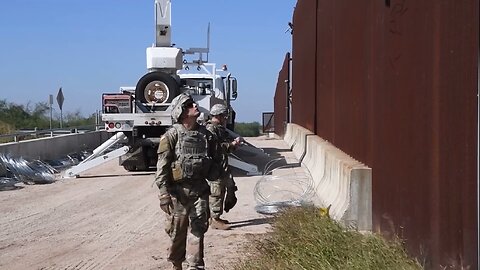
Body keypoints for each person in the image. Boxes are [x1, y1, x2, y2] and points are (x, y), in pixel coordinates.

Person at [154, 93, 218, 270]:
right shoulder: (172, 135)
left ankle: (195, 265)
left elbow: (215, 159)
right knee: (177, 233)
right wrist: (164, 194)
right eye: (190, 104)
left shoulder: (206, 135)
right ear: (182, 112)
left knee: (198, 230)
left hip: (200, 191)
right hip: (178, 193)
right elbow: (162, 167)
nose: (195, 106)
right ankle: (176, 264)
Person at [205, 103, 242, 230]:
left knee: (226, 188)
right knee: (216, 191)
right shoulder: (211, 130)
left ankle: (217, 217)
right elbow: (216, 148)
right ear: (219, 116)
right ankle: (214, 219)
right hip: (214, 166)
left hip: (221, 165)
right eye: (224, 116)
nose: (226, 119)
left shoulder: (219, 129)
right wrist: (231, 144)